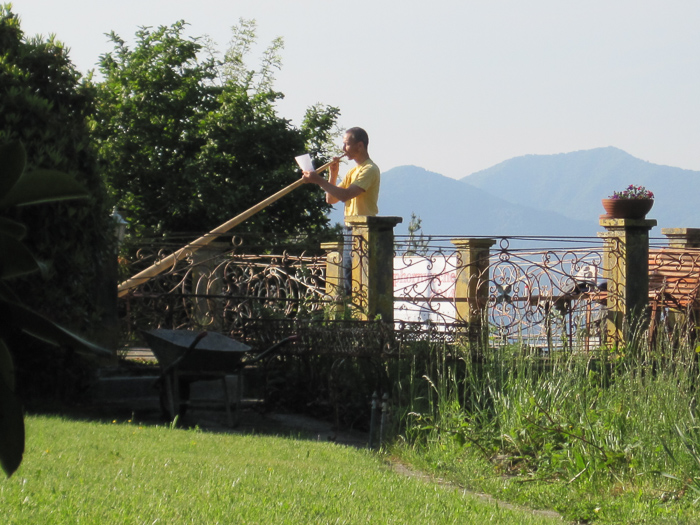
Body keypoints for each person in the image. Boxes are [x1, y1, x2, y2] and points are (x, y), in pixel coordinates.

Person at [301, 127, 380, 295]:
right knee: (348, 278)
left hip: (364, 230)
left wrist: (318, 180)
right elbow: (331, 199)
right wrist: (333, 174)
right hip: (349, 229)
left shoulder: (369, 169)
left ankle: (360, 310)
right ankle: (351, 308)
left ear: (360, 145)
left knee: (360, 279)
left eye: (347, 144)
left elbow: (345, 195)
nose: (343, 149)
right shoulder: (352, 171)